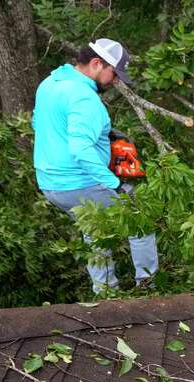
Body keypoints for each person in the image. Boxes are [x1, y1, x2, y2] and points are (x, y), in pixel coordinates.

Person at [32, 39, 158, 294]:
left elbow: (39, 123)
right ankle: (148, 290)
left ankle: (105, 292)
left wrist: (104, 134)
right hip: (80, 182)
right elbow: (80, 149)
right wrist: (116, 184)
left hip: (51, 185)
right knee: (141, 221)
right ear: (96, 63)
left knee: (95, 229)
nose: (114, 81)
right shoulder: (84, 98)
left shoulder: (50, 83)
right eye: (114, 74)